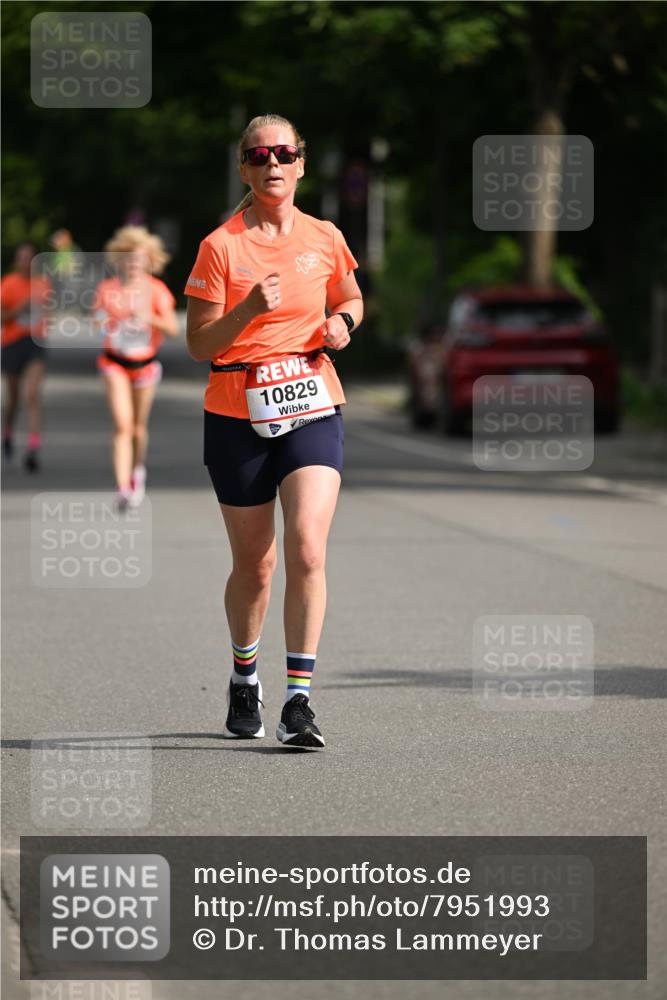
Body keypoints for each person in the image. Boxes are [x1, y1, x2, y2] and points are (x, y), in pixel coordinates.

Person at [185, 113, 363, 749]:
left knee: (308, 548)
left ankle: (298, 702)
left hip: (312, 399)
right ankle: (244, 676)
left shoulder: (325, 236)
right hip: (237, 411)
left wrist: (344, 323)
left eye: (284, 154)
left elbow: (351, 298)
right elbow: (198, 344)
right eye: (259, 156)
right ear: (244, 168)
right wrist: (248, 309)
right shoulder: (220, 247)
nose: (273, 165)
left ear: (301, 164)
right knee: (255, 565)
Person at [94, 226, 179, 510]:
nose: (133, 264)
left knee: (138, 429)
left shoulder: (156, 290)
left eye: (140, 259)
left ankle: (136, 471)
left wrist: (149, 318)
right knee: (123, 425)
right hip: (114, 363)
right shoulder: (107, 289)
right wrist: (105, 320)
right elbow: (97, 318)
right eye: (129, 258)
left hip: (145, 366)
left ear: (149, 261)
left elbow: (173, 329)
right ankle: (122, 487)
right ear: (119, 260)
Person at [1, 243, 51, 471]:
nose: (26, 262)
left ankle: (33, 447)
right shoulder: (8, 283)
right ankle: (8, 434)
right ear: (16, 261)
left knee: (32, 395)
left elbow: (47, 313)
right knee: (14, 399)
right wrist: (20, 308)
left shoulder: (43, 284)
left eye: (30, 258)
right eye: (22, 258)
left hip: (35, 343)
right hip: (12, 343)